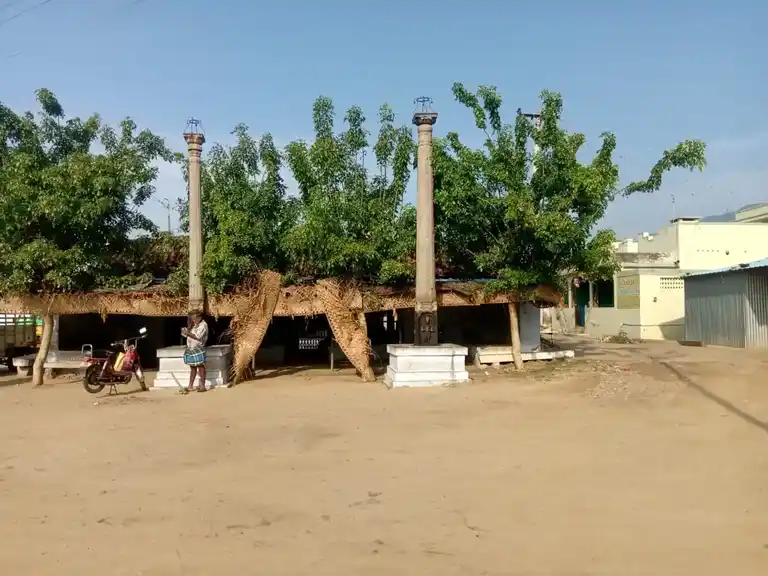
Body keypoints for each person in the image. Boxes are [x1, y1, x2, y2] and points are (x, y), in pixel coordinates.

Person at [181, 311, 208, 393]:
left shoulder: (203, 325)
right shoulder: (195, 325)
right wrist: (185, 331)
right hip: (191, 348)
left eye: (194, 318)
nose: (193, 320)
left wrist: (187, 333)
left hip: (198, 347)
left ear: (199, 318)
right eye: (192, 318)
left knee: (200, 366)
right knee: (192, 367)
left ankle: (202, 386)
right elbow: (188, 335)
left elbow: (198, 337)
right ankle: (190, 385)